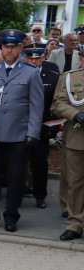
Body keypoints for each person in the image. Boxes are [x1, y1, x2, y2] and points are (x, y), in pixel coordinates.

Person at [0, 29, 44, 232]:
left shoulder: (30, 72)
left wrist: (33, 133)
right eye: (6, 46)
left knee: (15, 179)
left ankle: (11, 216)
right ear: (2, 48)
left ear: (21, 48)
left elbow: (36, 107)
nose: (9, 50)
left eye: (14, 46)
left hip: (18, 134)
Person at [23, 43, 61, 209]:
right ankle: (19, 191)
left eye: (38, 57)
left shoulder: (52, 74)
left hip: (42, 126)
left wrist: (53, 125)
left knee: (40, 163)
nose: (34, 61)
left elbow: (57, 100)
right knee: (19, 161)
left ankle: (40, 195)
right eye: (30, 57)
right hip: (21, 126)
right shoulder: (19, 72)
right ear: (25, 57)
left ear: (44, 57)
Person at [51, 63, 84, 240]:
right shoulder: (71, 77)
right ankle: (75, 224)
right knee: (75, 184)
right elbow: (57, 103)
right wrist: (76, 115)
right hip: (77, 138)